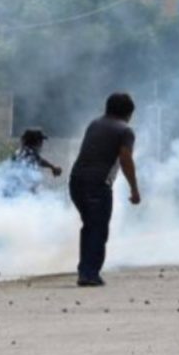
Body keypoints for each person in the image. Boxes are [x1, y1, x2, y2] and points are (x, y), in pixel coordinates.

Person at [69, 93, 141, 287]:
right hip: (97, 185)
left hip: (75, 182)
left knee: (90, 226)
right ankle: (89, 274)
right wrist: (134, 189)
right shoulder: (125, 130)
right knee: (97, 228)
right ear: (128, 113)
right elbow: (126, 159)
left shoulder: (95, 123)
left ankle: (86, 270)